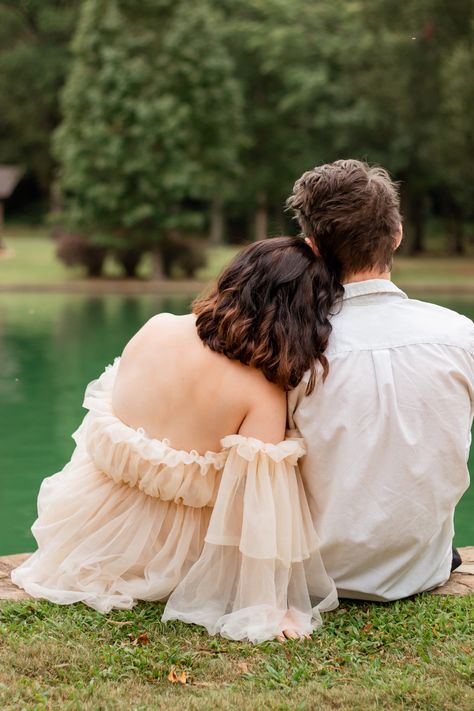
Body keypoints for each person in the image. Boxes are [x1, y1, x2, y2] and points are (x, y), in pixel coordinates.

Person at [11, 237, 341, 643]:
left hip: (94, 529)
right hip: (176, 553)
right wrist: (268, 605)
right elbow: (258, 509)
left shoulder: (157, 327)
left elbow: (110, 426)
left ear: (236, 279)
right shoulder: (261, 392)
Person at [286, 159, 474, 601]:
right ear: (398, 236)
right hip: (423, 568)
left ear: (311, 246)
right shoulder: (461, 335)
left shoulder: (292, 346)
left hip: (317, 574)